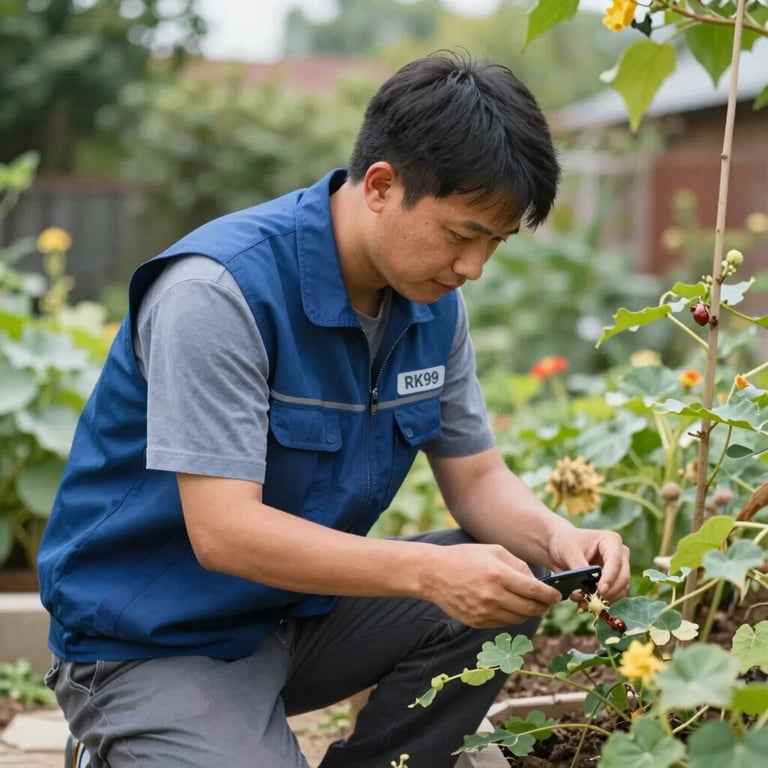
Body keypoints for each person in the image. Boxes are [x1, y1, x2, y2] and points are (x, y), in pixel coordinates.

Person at [38, 50, 630, 768]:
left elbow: (475, 479)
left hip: (296, 614)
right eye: (462, 234)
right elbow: (223, 533)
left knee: (509, 585)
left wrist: (557, 538)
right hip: (152, 641)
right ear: (381, 185)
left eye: (494, 244)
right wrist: (425, 574)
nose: (473, 267)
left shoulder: (430, 305)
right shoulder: (218, 293)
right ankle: (120, 739)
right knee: (448, 579)